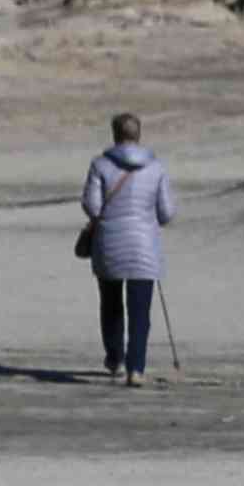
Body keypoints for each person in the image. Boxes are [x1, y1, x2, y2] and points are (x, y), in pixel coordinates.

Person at [80, 113, 173, 386]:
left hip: (109, 243)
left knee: (111, 305)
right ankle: (136, 369)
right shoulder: (157, 168)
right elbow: (167, 213)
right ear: (139, 134)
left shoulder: (100, 165)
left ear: (114, 134)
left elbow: (92, 206)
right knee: (140, 311)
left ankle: (116, 360)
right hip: (145, 246)